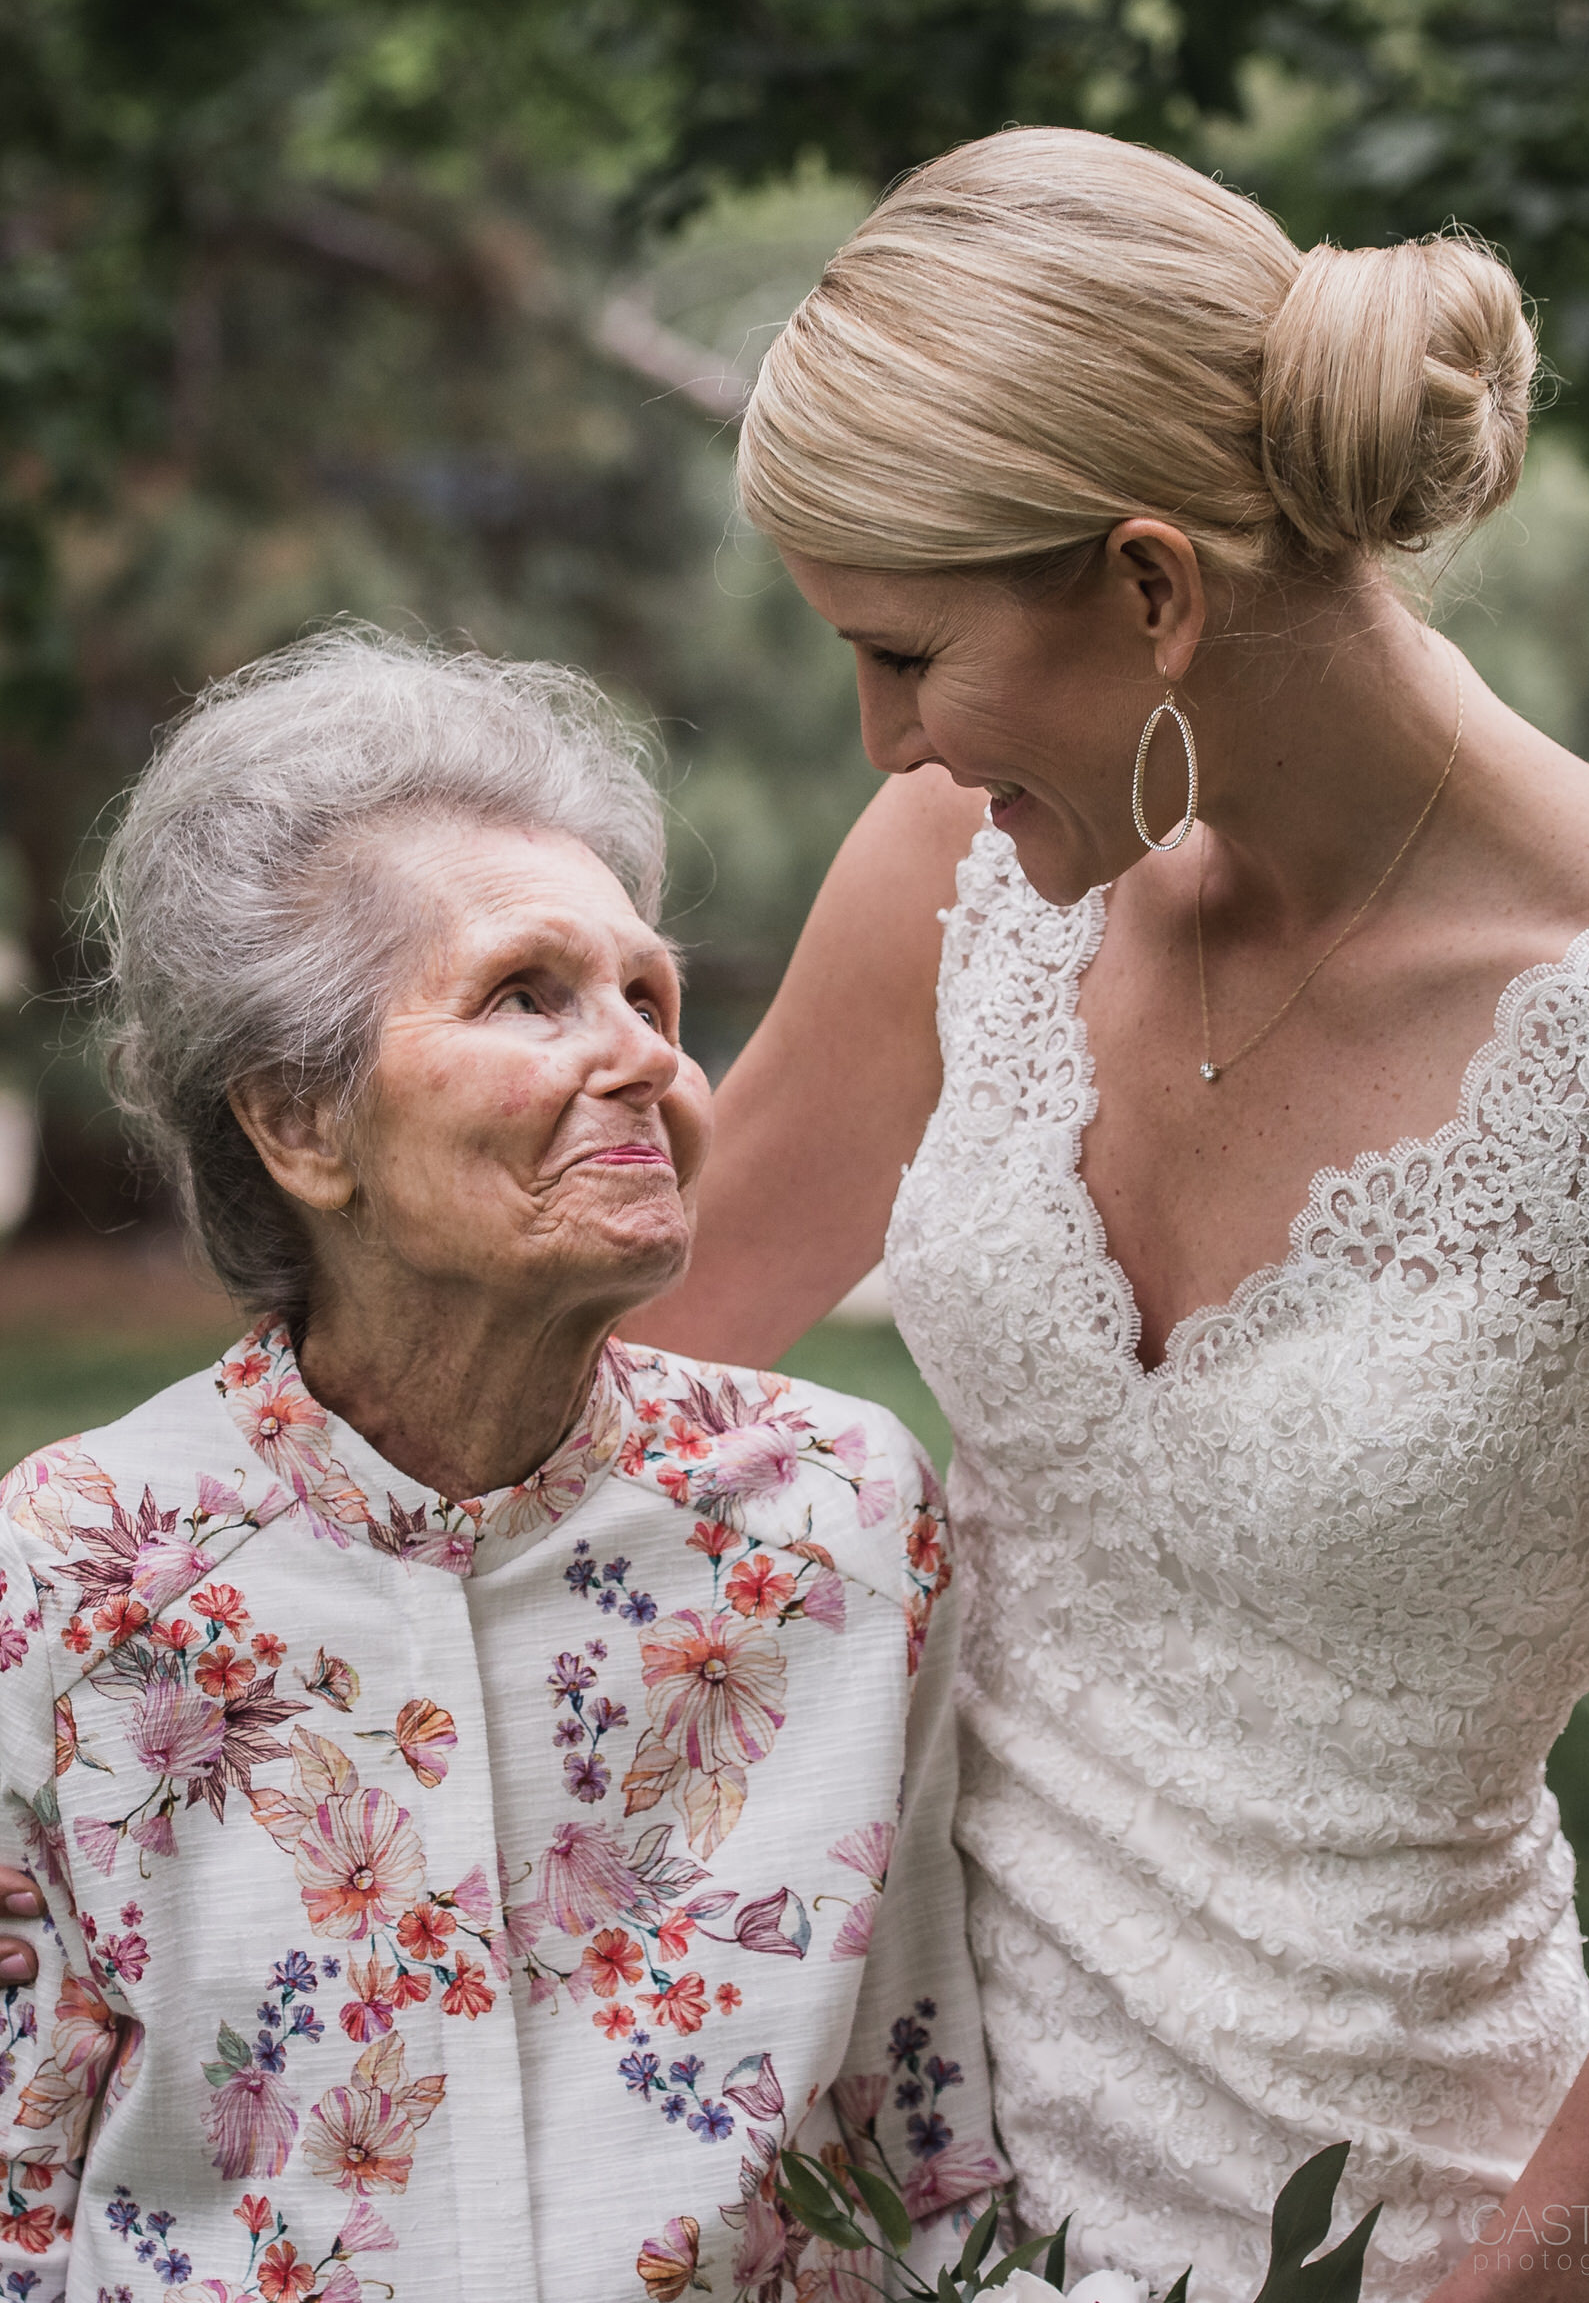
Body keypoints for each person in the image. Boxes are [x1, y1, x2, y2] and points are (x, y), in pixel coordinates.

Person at [609, 131, 1589, 2302]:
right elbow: (631, 1369)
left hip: (1372, 2214)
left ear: (1150, 587)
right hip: (857, 2159)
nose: (882, 737)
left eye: (907, 655)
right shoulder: (952, 877)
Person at [0, 631, 1002, 2303]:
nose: (646, 1063)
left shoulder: (840, 1519)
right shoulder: (78, 1564)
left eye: (650, 998)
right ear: (298, 1123)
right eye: (530, 993)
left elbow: (926, 2122)